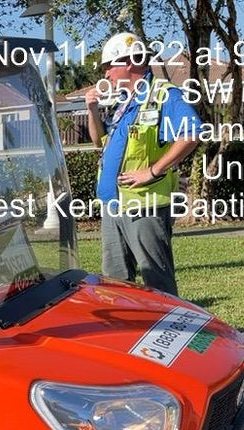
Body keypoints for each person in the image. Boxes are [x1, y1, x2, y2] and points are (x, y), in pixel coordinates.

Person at [86, 32, 203, 296]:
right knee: (115, 284)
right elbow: (98, 141)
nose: (106, 74)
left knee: (157, 281)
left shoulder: (164, 95)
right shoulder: (122, 103)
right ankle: (126, 335)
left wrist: (152, 171)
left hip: (144, 206)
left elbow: (192, 134)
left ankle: (173, 334)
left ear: (129, 63)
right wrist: (92, 109)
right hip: (113, 206)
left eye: (109, 66)